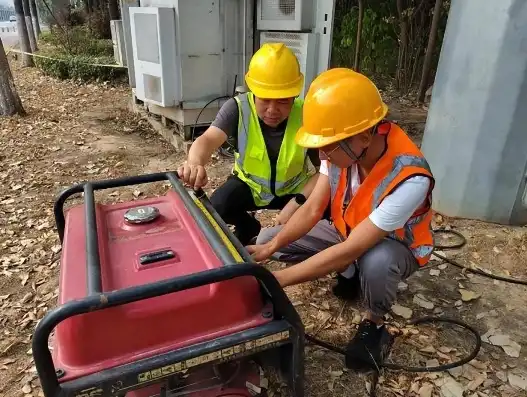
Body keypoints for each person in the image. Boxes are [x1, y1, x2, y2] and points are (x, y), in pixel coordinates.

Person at [247, 68, 435, 369]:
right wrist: (271, 248)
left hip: (392, 246)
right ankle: (349, 274)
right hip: (348, 234)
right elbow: (311, 210)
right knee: (270, 238)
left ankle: (375, 324)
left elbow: (352, 249)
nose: (321, 153)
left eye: (328, 144)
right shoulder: (340, 151)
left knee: (377, 261)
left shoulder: (409, 177)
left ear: (363, 136)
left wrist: (276, 281)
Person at [177, 43, 320, 246]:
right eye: (265, 100)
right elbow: (207, 140)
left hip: (294, 188)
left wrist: (297, 203)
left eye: (282, 101)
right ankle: (248, 227)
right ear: (253, 91)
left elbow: (324, 173)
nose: (272, 110)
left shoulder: (307, 115)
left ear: (294, 94)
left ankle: (333, 261)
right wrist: (194, 162)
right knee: (217, 206)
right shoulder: (237, 109)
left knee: (329, 207)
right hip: (251, 187)